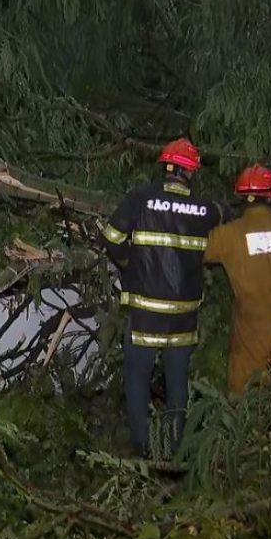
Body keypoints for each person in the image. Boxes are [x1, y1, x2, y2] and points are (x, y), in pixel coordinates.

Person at [101, 137, 222, 457]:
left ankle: (142, 446)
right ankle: (174, 448)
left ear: (165, 167)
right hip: (184, 316)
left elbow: (111, 237)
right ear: (191, 173)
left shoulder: (141, 198)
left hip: (144, 312)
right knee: (177, 382)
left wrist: (131, 264)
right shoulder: (206, 210)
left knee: (137, 377)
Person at [203, 163, 271, 397]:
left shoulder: (229, 234)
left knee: (245, 411)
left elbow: (197, 251)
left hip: (249, 347)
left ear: (240, 196)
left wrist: (215, 215)